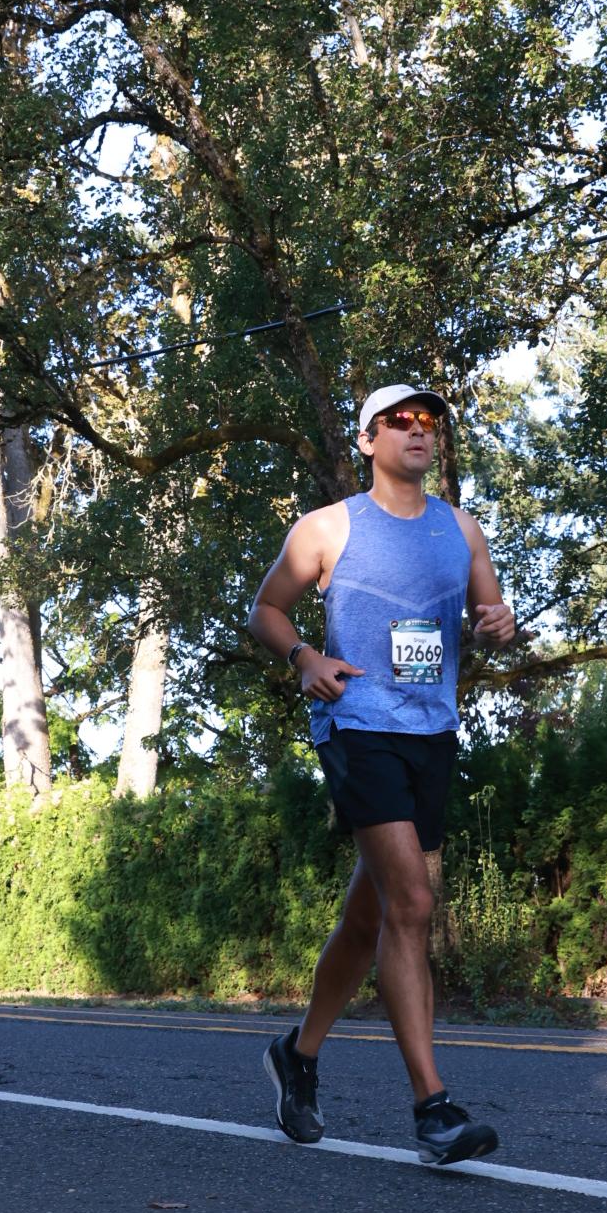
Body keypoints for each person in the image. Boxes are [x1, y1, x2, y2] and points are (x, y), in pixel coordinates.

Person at [246, 382, 517, 1167]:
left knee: (371, 918)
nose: (418, 431)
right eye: (400, 421)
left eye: (428, 421)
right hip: (358, 723)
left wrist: (498, 625)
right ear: (368, 440)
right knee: (415, 901)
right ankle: (434, 1109)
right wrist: (305, 657)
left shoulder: (460, 529)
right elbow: (266, 610)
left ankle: (297, 1055)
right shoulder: (328, 527)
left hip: (431, 730)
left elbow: (489, 622)